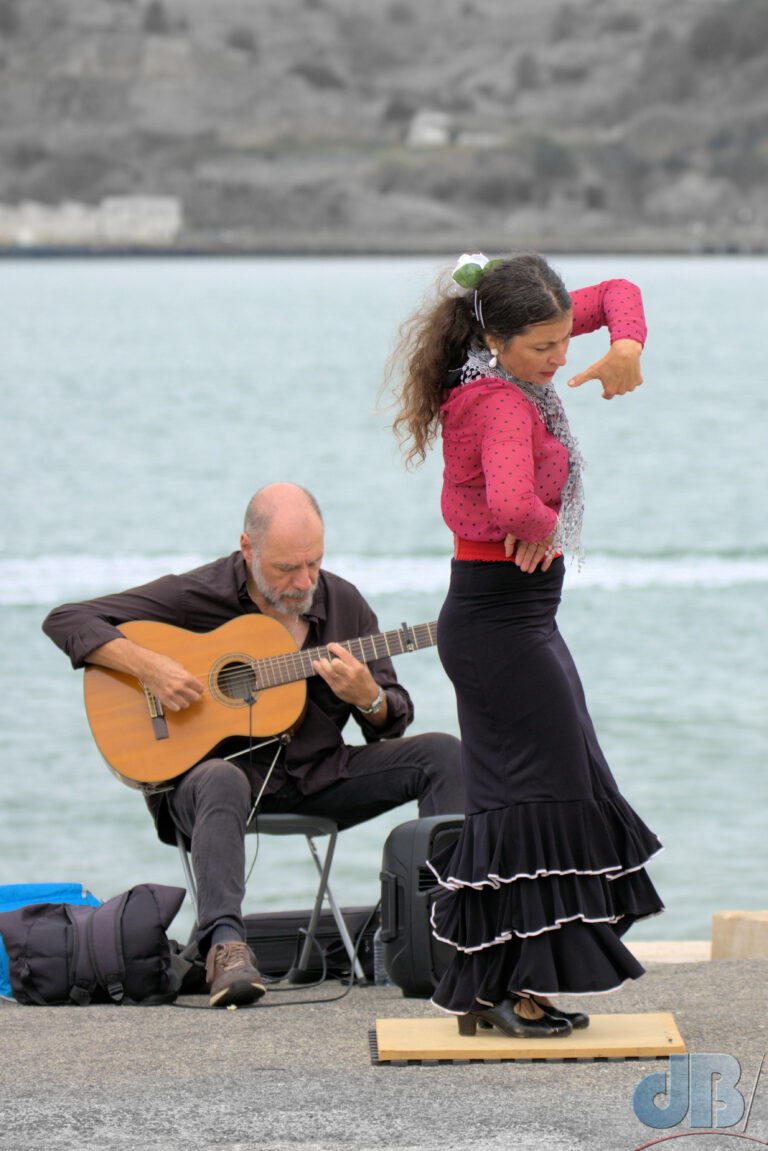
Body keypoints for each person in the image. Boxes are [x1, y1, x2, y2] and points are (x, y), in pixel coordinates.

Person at [42, 483, 463, 1008]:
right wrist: (151, 666)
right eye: (288, 568)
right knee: (222, 777)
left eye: (314, 563)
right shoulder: (196, 597)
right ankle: (225, 949)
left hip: (318, 778)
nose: (304, 581)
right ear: (248, 549)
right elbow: (66, 620)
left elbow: (389, 724)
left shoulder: (344, 604)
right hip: (209, 790)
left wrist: (370, 697)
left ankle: (445, 932)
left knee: (445, 754)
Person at [388, 253, 664, 1039]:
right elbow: (510, 499)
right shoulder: (500, 403)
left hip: (513, 622)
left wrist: (629, 344)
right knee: (535, 802)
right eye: (542, 348)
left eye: (562, 340)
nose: (558, 358)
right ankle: (513, 987)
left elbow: (617, 292)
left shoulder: (514, 345)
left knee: (542, 795)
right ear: (498, 341)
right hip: (499, 623)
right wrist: (544, 527)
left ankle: (507, 987)